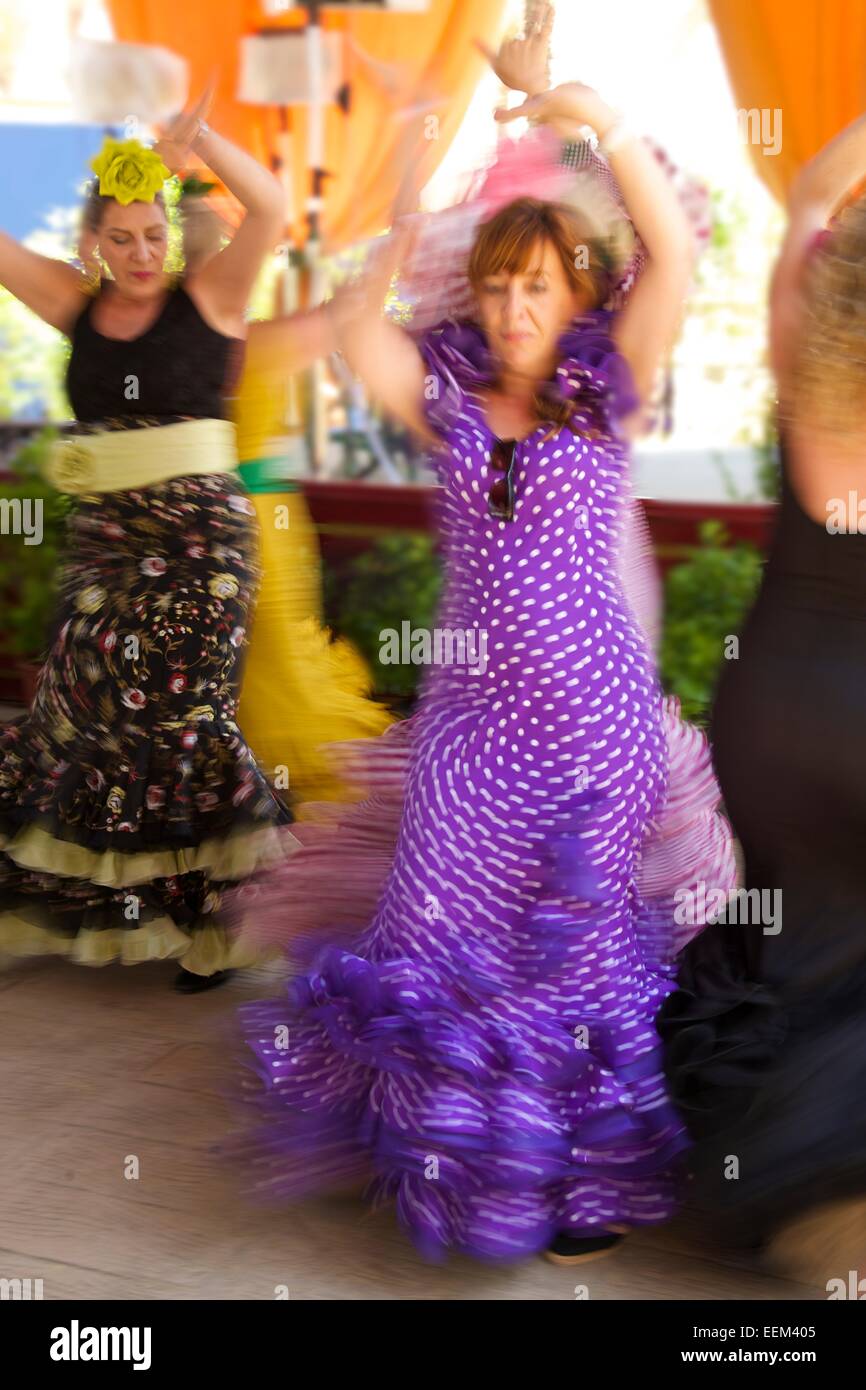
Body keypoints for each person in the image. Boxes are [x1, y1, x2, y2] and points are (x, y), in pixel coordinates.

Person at [224, 49, 735, 1264]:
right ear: (479, 294)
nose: (515, 308)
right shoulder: (442, 395)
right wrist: (406, 185)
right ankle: (439, 1153)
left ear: (577, 299)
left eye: (542, 288)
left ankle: (564, 1186)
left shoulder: (610, 385)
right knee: (436, 929)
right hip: (468, 727)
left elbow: (674, 251)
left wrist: (586, 116)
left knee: (566, 951)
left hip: (590, 734)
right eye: (501, 286)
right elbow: (355, 323)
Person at [0, 92, 297, 991]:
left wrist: (196, 140)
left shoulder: (212, 295)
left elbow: (275, 209)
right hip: (108, 545)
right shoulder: (72, 300)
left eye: (152, 233)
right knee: (77, 708)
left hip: (203, 545)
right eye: (121, 237)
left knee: (183, 720)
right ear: (92, 243)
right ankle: (68, 903)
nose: (140, 253)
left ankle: (221, 929)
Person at [659, 110, 866, 1282]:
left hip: (769, 704)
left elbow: (802, 201)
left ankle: (790, 1186)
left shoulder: (806, 326)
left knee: (794, 938)